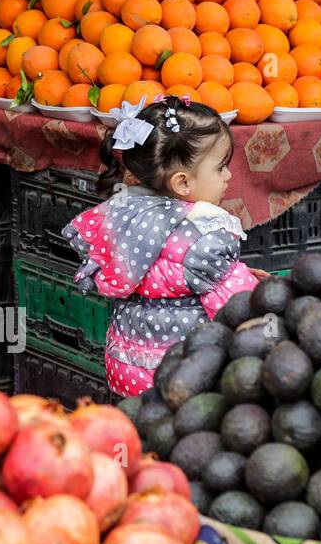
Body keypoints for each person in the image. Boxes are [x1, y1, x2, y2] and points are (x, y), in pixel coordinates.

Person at [63, 96, 261, 398]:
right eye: (221, 168)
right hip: (184, 376)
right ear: (183, 183)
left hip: (126, 366)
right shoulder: (202, 233)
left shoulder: (123, 213)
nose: (228, 176)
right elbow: (237, 306)